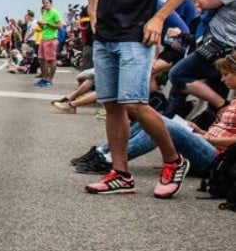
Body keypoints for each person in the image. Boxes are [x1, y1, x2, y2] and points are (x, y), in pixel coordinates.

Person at [84, 0, 193, 197]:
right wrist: (93, 13)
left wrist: (159, 18)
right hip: (106, 38)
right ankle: (120, 174)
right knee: (112, 105)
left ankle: (174, 160)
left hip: (135, 36)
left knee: (134, 102)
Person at [71, 51, 236, 177]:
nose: (222, 79)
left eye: (226, 75)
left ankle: (111, 158)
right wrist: (200, 131)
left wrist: (207, 139)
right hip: (209, 144)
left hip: (219, 158)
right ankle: (102, 152)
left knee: (159, 123)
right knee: (152, 120)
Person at [35, 0, 62, 87]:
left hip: (51, 38)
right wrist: (40, 24)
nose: (45, 4)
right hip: (44, 38)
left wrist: (47, 23)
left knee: (51, 60)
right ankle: (44, 78)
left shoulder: (55, 13)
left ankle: (50, 79)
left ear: (51, 3)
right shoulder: (44, 13)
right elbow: (43, 27)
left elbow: (59, 26)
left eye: (47, 2)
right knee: (42, 60)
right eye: (44, 3)